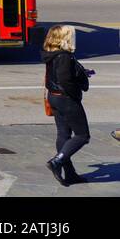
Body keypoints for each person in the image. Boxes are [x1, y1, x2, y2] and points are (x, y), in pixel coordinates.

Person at [43, 24, 94, 186]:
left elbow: (60, 75)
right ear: (64, 38)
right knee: (82, 136)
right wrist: (73, 94)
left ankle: (70, 173)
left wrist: (81, 72)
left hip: (54, 97)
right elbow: (64, 79)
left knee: (63, 135)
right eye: (71, 34)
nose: (74, 37)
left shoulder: (51, 53)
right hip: (66, 99)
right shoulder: (64, 56)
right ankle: (56, 162)